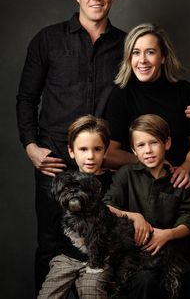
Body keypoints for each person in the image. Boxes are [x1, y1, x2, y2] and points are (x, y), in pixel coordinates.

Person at [16, 0, 190, 294]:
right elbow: (26, 98)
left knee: (108, 250)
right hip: (56, 163)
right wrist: (31, 146)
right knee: (51, 247)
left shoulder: (126, 47)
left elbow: (154, 92)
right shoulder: (47, 40)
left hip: (107, 166)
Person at [103, 22, 190, 299]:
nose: (142, 60)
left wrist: (183, 168)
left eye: (150, 52)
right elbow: (111, 153)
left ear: (163, 56)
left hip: (183, 176)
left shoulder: (183, 90)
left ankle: (188, 256)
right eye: (135, 53)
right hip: (148, 179)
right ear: (128, 57)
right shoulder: (122, 94)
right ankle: (182, 253)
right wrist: (152, 162)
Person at [104, 114, 190, 299]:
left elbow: (189, 217)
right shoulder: (126, 175)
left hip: (169, 253)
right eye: (141, 145)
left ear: (167, 143)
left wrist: (167, 234)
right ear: (134, 150)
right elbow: (106, 207)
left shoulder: (178, 179)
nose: (148, 150)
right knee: (145, 282)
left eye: (154, 143)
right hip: (134, 257)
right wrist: (135, 216)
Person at [38, 114, 113, 298]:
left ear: (105, 150)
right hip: (67, 256)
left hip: (101, 256)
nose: (90, 156)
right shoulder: (62, 184)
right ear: (71, 151)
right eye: (83, 149)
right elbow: (54, 230)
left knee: (91, 292)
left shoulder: (115, 181)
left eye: (97, 149)